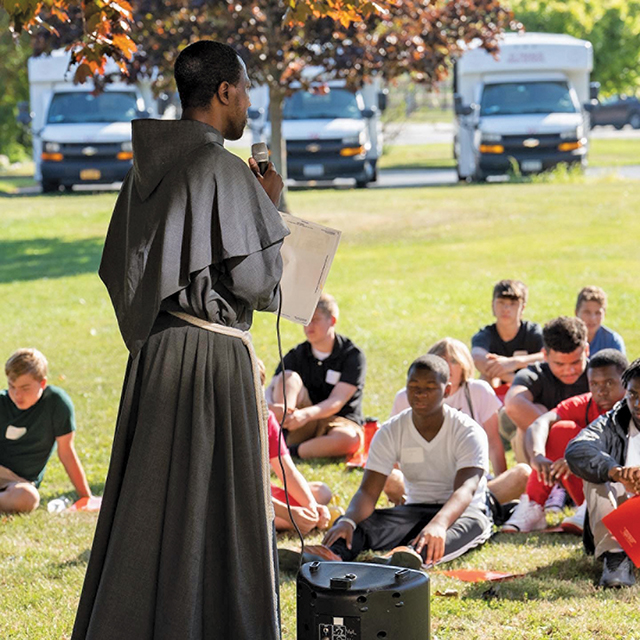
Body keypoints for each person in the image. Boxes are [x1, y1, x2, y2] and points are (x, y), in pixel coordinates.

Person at [72, 41, 289, 640]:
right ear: (223, 93)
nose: (248, 102)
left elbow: (123, 269)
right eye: (244, 89)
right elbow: (259, 283)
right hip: (211, 361)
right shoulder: (221, 169)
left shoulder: (146, 169)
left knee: (151, 508)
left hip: (156, 356)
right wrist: (267, 209)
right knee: (220, 509)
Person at [316, 355, 493, 569]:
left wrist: (439, 524)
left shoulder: (468, 431)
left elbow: (466, 489)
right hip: (414, 511)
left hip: (464, 514)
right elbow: (368, 492)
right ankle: (331, 556)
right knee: (355, 524)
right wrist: (348, 520)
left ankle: (405, 560)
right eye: (414, 386)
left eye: (430, 387)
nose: (420, 393)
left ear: (446, 391)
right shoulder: (391, 431)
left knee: (464, 528)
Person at [502, 349, 627, 534]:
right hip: (587, 485)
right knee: (561, 429)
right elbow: (541, 422)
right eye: (594, 384)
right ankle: (534, 505)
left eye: (609, 383)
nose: (601, 391)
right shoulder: (585, 403)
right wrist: (537, 455)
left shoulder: (633, 406)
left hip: (624, 488)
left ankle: (598, 507)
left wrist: (580, 460)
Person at [565, 358, 640, 588]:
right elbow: (578, 449)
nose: (637, 403)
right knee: (595, 474)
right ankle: (615, 556)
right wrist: (615, 472)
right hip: (619, 519)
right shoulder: (613, 420)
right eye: (633, 394)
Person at [266, 293, 366, 459]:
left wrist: (306, 415)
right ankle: (279, 436)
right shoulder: (296, 354)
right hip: (298, 421)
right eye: (305, 320)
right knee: (288, 377)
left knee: (351, 439)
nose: (308, 326)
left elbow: (336, 401)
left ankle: (288, 453)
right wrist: (274, 407)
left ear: (332, 321)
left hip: (338, 421)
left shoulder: (352, 356)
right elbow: (272, 386)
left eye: (315, 319)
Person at [392, 338, 507, 475]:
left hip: (470, 481)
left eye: (454, 361)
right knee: (390, 478)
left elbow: (493, 442)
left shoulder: (478, 391)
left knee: (520, 474)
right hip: (420, 482)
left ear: (464, 365)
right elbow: (393, 448)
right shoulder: (406, 397)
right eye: (442, 360)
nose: (447, 366)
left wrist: (501, 481)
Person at [0, 348, 92, 514]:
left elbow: (66, 453)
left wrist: (85, 496)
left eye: (25, 388)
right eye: (11, 386)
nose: (17, 394)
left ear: (43, 383)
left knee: (28, 498)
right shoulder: (1, 402)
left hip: (17, 484)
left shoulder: (56, 403)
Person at [256, 359, 333, 534]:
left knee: (319, 494)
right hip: (234, 498)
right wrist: (289, 513)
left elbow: (287, 472)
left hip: (261, 496)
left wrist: (311, 508)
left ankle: (277, 520)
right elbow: (241, 488)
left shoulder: (266, 419)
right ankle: (272, 521)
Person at [504, 316, 590, 464]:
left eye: (576, 362)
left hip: (592, 450)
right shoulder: (537, 374)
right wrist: (558, 431)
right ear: (545, 355)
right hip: (546, 453)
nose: (568, 370)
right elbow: (513, 403)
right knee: (529, 422)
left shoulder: (599, 373)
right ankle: (534, 482)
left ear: (586, 351)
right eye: (559, 364)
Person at [471, 280, 544, 399]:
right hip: (498, 390)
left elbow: (548, 357)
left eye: (513, 303)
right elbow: (478, 358)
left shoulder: (533, 332)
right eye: (501, 302)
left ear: (523, 308)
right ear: (492, 305)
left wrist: (513, 363)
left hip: (530, 390)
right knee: (484, 379)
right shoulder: (485, 334)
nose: (506, 308)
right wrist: (509, 375)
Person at [575, 286, 626, 356]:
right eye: (587, 312)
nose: (592, 318)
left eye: (598, 313)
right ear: (576, 312)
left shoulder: (612, 341)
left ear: (604, 314)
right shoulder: (566, 338)